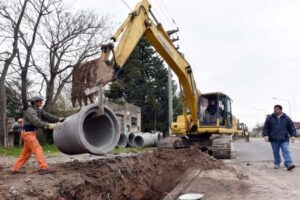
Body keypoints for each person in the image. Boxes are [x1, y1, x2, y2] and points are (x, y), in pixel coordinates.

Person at [11, 95, 64, 174]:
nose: (42, 102)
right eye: (40, 101)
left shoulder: (38, 110)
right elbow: (37, 122)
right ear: (35, 102)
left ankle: (15, 168)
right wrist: (50, 125)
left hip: (30, 133)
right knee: (38, 149)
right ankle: (44, 168)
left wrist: (58, 119)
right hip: (28, 134)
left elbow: (47, 115)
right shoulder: (30, 111)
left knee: (26, 153)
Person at [263, 105, 297, 170]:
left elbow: (291, 127)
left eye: (277, 109)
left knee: (286, 150)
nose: (275, 110)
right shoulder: (270, 118)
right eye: (274, 109)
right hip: (274, 138)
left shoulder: (286, 118)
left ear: (281, 110)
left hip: (284, 138)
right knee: (276, 152)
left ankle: (288, 164)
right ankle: (277, 163)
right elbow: (266, 128)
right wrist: (266, 135)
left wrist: (293, 135)